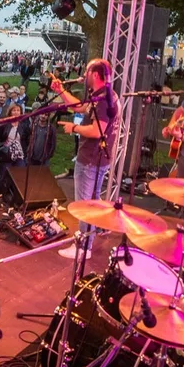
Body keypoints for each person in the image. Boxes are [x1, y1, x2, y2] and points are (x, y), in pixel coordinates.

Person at [51, 59, 120, 238]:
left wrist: (74, 128)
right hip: (97, 158)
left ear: (95, 74)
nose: (83, 75)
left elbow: (97, 131)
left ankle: (83, 246)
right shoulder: (101, 94)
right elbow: (81, 107)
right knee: (93, 201)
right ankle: (93, 233)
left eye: (86, 71)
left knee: (84, 205)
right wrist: (61, 91)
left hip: (91, 158)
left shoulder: (104, 100)